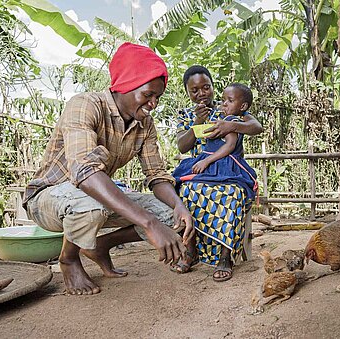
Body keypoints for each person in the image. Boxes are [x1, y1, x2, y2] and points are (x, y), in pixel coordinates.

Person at [23, 42, 194, 295]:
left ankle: (100, 246)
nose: (153, 104)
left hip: (93, 199)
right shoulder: (85, 105)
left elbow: (156, 175)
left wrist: (178, 205)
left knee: (169, 216)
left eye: (157, 97)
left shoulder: (144, 124)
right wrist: (148, 224)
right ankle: (68, 259)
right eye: (148, 95)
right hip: (47, 199)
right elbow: (85, 174)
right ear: (126, 83)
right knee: (91, 204)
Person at [172, 66, 262, 281]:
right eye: (194, 90)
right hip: (199, 169)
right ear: (187, 92)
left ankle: (225, 256)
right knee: (185, 191)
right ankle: (191, 249)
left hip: (227, 169)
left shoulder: (228, 108)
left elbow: (256, 126)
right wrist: (196, 124)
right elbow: (182, 147)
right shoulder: (186, 115)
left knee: (231, 193)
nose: (201, 93)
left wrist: (231, 125)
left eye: (206, 87)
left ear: (213, 87)